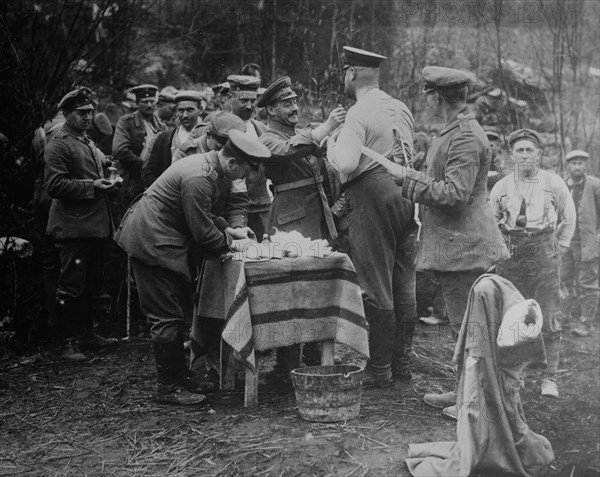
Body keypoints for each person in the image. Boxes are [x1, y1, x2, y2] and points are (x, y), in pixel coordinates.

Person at [384, 66, 508, 417]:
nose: (428, 101)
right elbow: (444, 180)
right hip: (458, 246)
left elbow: (455, 194)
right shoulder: (455, 130)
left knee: (469, 329)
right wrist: (409, 172)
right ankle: (462, 392)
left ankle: (475, 403)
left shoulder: (466, 136)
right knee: (462, 327)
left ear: (437, 96)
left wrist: (408, 181)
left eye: (429, 95)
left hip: (466, 249)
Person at [114, 130, 271, 405]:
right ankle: (168, 387)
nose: (241, 180)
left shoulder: (208, 168)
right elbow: (200, 231)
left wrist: (228, 230)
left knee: (173, 314)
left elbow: (204, 215)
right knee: (165, 317)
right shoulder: (200, 176)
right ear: (232, 163)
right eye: (243, 173)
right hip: (151, 241)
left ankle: (180, 377)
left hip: (162, 239)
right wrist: (232, 244)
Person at [328, 46, 418, 387]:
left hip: (371, 194)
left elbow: (347, 164)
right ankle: (402, 366)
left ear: (351, 73)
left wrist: (331, 149)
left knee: (375, 283)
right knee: (403, 282)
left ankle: (379, 370)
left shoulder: (358, 111)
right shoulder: (401, 107)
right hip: (407, 193)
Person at [256, 76, 345, 380]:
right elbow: (286, 152)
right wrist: (324, 129)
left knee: (315, 288)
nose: (294, 107)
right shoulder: (268, 138)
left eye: (294, 101)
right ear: (270, 110)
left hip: (315, 221)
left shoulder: (298, 133)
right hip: (290, 225)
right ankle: (287, 364)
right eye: (285, 103)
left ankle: (311, 356)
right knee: (292, 292)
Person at [490, 128, 576, 398]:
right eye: (519, 150)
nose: (525, 155)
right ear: (511, 155)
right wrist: (501, 249)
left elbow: (568, 218)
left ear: (539, 154)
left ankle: (549, 377)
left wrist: (557, 248)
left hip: (544, 252)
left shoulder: (553, 182)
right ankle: (516, 374)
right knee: (514, 315)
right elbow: (493, 222)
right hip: (512, 253)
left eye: (530, 150)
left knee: (548, 315)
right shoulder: (502, 186)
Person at [44, 87, 120, 361]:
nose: (88, 117)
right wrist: (93, 185)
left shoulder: (85, 140)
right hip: (73, 228)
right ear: (67, 113)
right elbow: (54, 184)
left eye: (89, 112)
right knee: (70, 286)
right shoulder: (60, 143)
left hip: (95, 226)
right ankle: (67, 341)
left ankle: (87, 335)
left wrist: (110, 174)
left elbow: (95, 168)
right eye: (81, 113)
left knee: (90, 284)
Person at [175, 75, 272, 241]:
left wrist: (237, 228)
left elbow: (238, 194)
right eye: (243, 100)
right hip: (197, 223)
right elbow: (183, 200)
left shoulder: (261, 129)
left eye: (253, 100)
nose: (249, 106)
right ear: (229, 98)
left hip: (242, 216)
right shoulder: (202, 134)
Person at [561, 150, 600, 337]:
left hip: (588, 243)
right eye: (573, 163)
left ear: (586, 166)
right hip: (566, 242)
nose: (577, 167)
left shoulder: (594, 186)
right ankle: (563, 319)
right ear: (567, 166)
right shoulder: (561, 186)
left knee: (588, 282)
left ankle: (586, 322)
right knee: (563, 280)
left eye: (580, 163)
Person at [112, 84, 166, 212]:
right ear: (137, 103)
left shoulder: (161, 125)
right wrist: (143, 166)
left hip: (153, 180)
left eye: (152, 101)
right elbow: (120, 150)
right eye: (144, 102)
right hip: (132, 178)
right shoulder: (127, 122)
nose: (149, 105)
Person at [142, 90, 204, 187]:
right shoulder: (164, 138)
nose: (185, 115)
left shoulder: (208, 136)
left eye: (190, 110)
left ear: (200, 109)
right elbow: (151, 171)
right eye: (181, 110)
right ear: (175, 111)